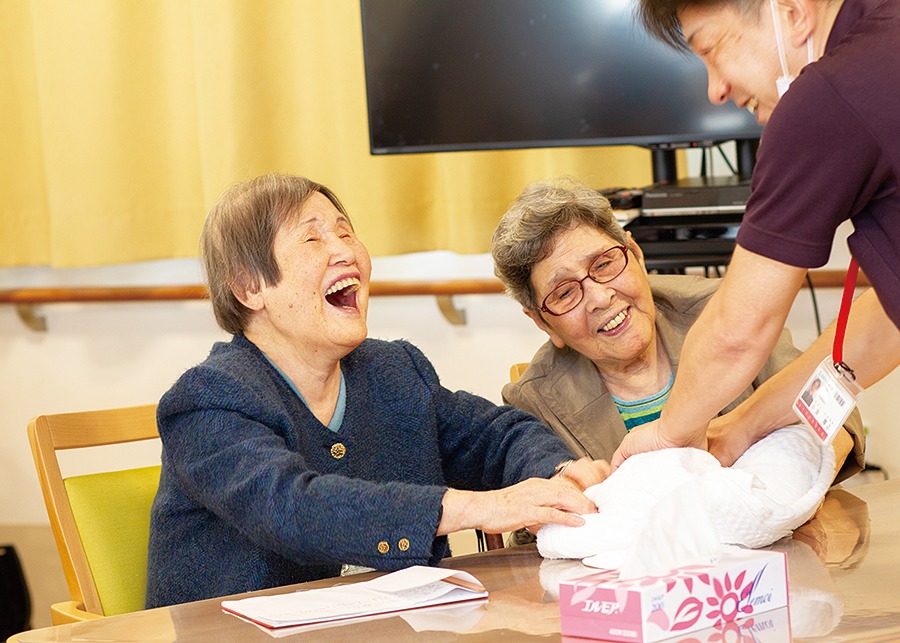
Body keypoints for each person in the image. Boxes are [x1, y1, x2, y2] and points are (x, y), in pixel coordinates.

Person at [145, 173, 609, 608]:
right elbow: (291, 506)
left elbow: (496, 436)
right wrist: (478, 508)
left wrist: (558, 473)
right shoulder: (208, 399)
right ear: (249, 286)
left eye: (346, 233)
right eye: (313, 237)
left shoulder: (393, 371)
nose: (345, 251)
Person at [610, 0, 900, 467]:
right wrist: (742, 424)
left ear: (792, 12)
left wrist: (667, 437)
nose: (716, 90)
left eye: (713, 49)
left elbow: (738, 332)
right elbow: (889, 320)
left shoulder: (826, 95)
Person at [491, 178, 863, 483]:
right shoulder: (534, 401)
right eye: (566, 292)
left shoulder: (722, 311)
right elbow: (539, 529)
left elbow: (834, 414)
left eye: (604, 264)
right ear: (543, 322)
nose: (601, 297)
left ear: (635, 255)